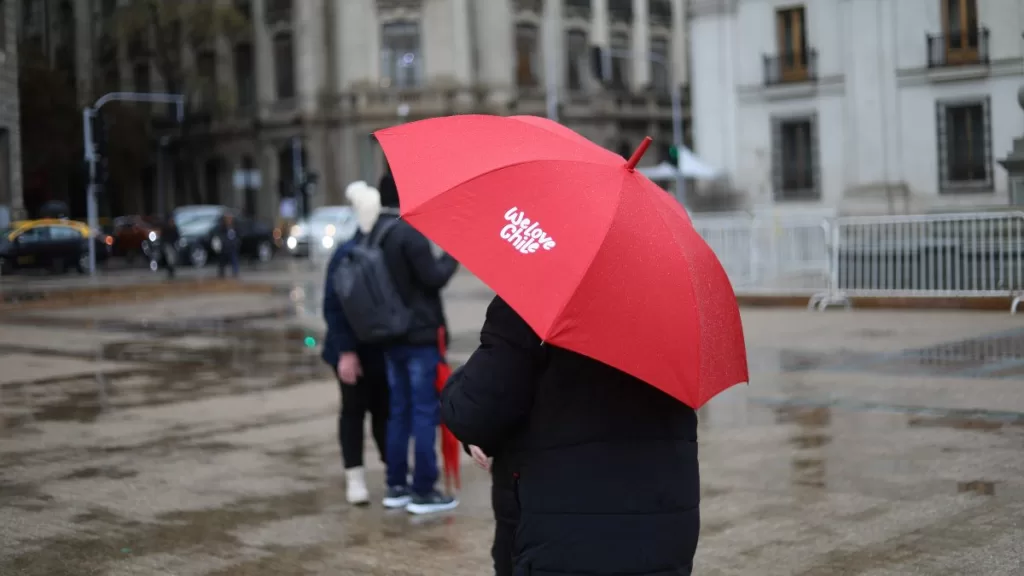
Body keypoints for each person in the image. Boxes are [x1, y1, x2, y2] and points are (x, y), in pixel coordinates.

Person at [441, 297, 700, 575]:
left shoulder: (531, 302)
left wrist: (463, 378)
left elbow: (472, 413)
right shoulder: (671, 305)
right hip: (663, 536)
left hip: (566, 541)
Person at [372, 172, 460, 514]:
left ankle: (396, 485)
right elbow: (433, 278)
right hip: (420, 337)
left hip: (390, 337)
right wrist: (453, 252)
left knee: (399, 412)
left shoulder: (378, 233)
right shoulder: (409, 232)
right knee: (425, 413)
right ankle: (423, 489)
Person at [320, 180, 391, 505]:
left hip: (379, 350)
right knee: (354, 412)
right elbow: (333, 306)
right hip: (353, 350)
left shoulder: (381, 249)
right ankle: (355, 478)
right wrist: (347, 352)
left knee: (382, 411)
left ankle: (392, 474)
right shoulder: (348, 255)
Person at [215, 213, 240, 278]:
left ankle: (235, 272)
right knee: (222, 262)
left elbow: (238, 235)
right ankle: (221, 273)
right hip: (224, 247)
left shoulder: (235, 227)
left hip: (232, 247)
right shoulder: (222, 227)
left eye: (230, 218)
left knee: (234, 260)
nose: (229, 220)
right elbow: (219, 236)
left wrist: (236, 242)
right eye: (227, 219)